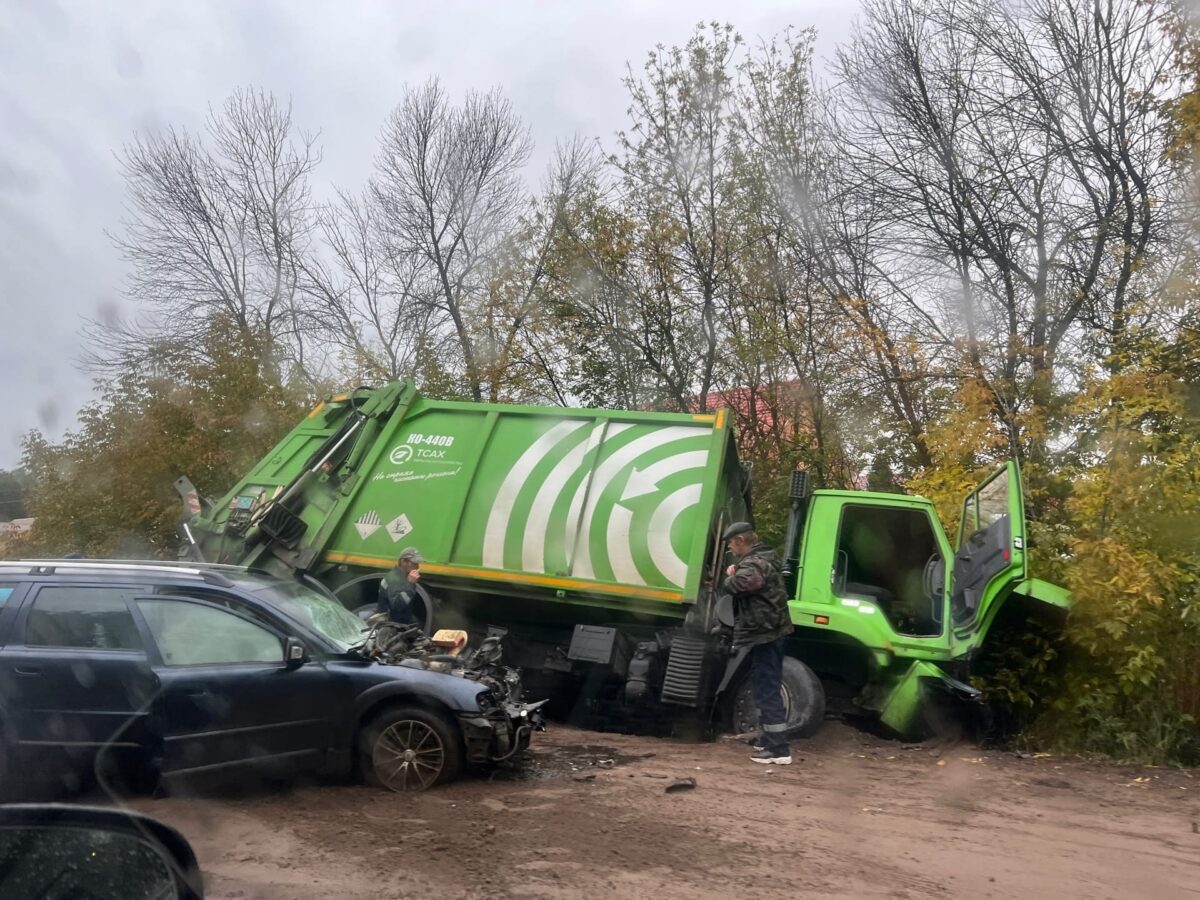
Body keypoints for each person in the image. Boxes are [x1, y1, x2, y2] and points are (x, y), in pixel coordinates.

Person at [722, 521, 795, 765]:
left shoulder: (754, 563)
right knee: (764, 686)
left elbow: (746, 583)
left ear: (741, 541)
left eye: (732, 543)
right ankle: (768, 741)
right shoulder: (765, 557)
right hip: (769, 633)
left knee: (767, 689)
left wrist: (730, 578)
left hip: (766, 634)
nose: (731, 548)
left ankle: (778, 750)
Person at [376, 547, 427, 628]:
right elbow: (397, 606)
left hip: (397, 621)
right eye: (414, 563)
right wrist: (410, 584)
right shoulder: (395, 580)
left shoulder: (401, 576)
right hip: (392, 626)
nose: (417, 567)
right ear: (403, 561)